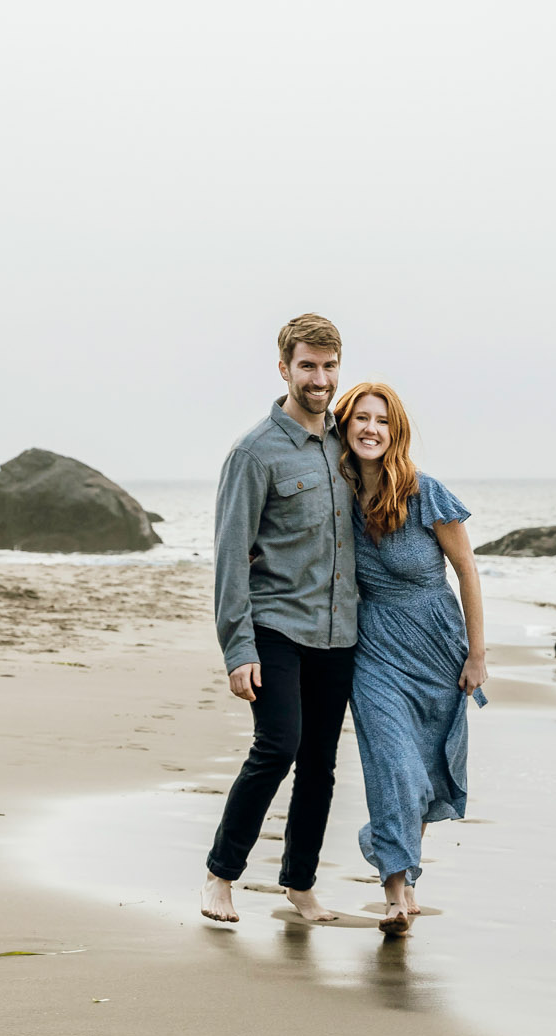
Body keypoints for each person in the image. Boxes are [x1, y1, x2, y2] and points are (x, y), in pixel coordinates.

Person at [201, 315, 360, 924]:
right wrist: (237, 649)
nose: (319, 379)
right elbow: (230, 556)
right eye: (307, 366)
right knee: (278, 746)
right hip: (275, 625)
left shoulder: (349, 442)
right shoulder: (253, 452)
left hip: (340, 630)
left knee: (320, 762)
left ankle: (299, 886)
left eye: (328, 366)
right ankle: (221, 874)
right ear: (284, 368)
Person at [333, 381, 486, 936]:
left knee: (421, 776)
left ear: (395, 432)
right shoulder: (336, 496)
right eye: (361, 419)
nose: (371, 429)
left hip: (437, 646)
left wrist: (476, 653)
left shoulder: (426, 492)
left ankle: (408, 878)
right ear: (345, 427)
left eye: (383, 421)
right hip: (374, 649)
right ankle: (395, 894)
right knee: (393, 767)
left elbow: (467, 570)